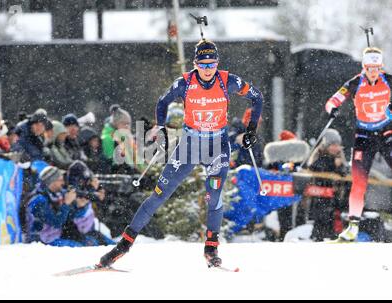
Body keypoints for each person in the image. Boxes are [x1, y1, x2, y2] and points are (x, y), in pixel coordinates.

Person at [97, 39, 263, 268]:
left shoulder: (228, 81)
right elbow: (163, 102)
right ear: (195, 64)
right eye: (202, 65)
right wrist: (161, 127)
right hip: (188, 148)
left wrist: (251, 131)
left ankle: (211, 248)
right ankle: (123, 245)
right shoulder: (184, 83)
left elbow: (258, 97)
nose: (207, 69)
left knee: (213, 197)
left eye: (211, 64)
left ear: (217, 63)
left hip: (217, 148)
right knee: (159, 194)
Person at [325, 47, 392, 242]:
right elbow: (332, 101)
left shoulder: (388, 79)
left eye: (376, 68)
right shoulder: (355, 83)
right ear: (364, 67)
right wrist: (332, 110)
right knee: (358, 181)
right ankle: (353, 227)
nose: (373, 72)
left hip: (387, 132)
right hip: (364, 135)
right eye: (370, 68)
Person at [306, 129, 348, 241]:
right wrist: (332, 162)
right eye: (332, 145)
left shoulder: (340, 155)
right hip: (320, 193)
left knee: (332, 219)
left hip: (334, 194)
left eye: (337, 145)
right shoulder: (319, 153)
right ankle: (318, 236)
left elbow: (344, 173)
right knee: (320, 217)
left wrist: (339, 167)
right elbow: (314, 167)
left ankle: (331, 235)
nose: (335, 148)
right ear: (327, 145)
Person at [25, 165, 79, 246]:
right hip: (39, 242)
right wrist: (66, 204)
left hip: (53, 238)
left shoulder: (54, 195)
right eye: (60, 180)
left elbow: (70, 217)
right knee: (77, 247)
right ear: (52, 181)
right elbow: (56, 223)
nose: (63, 183)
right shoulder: (38, 200)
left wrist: (79, 205)